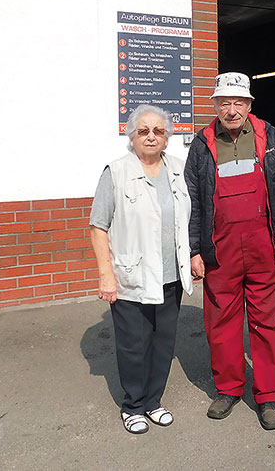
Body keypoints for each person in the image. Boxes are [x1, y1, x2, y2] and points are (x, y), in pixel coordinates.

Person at [185, 72, 275, 430]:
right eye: (224, 103)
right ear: (215, 106)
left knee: (268, 323)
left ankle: (268, 396)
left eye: (238, 103)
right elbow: (192, 201)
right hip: (220, 249)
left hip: (264, 245)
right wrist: (194, 249)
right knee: (221, 322)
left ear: (249, 104)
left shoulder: (271, 138)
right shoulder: (202, 144)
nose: (231, 110)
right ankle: (229, 389)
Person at [90, 104, 194, 434]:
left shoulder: (178, 169)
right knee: (134, 344)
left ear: (167, 137)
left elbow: (187, 220)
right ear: (131, 137)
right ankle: (132, 405)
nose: (151, 136)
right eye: (143, 131)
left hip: (170, 276)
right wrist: (106, 274)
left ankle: (153, 401)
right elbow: (98, 226)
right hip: (131, 277)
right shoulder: (116, 172)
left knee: (163, 342)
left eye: (158, 131)